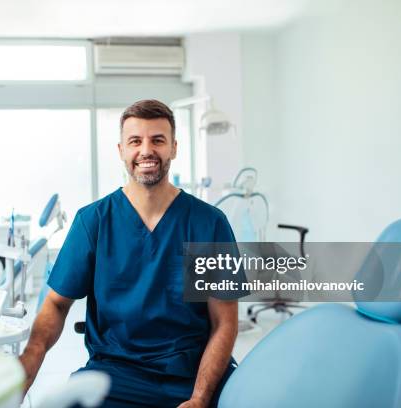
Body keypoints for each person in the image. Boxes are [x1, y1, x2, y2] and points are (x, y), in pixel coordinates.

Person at [19, 99, 244, 407]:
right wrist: (29, 360)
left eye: (158, 140)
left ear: (174, 148)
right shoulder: (94, 221)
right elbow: (56, 305)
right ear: (121, 151)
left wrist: (199, 398)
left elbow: (225, 323)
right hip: (115, 374)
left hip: (194, 373)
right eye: (135, 141)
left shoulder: (208, 223)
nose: (146, 151)